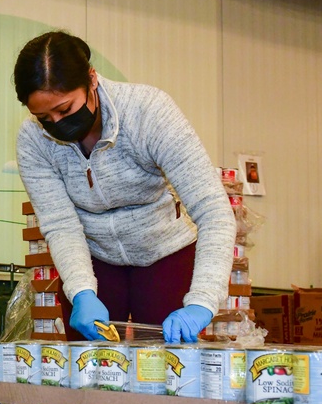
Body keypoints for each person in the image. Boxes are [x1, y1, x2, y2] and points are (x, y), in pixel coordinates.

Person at [12, 31, 235, 343]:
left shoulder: (148, 111)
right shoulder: (33, 140)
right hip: (94, 259)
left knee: (168, 369)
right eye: (44, 117)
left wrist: (202, 302)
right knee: (91, 373)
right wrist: (81, 291)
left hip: (164, 254)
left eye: (65, 109)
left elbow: (214, 211)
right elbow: (61, 225)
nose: (57, 123)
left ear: (91, 80)